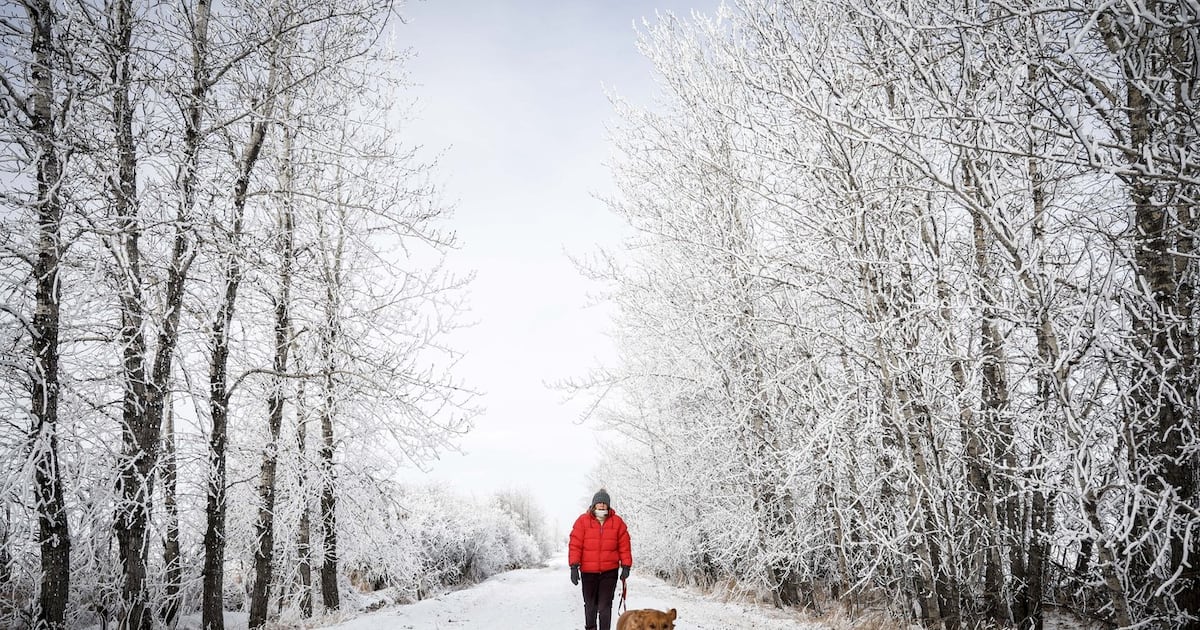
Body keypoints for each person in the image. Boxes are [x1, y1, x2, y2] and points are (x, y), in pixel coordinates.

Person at [568, 488, 632, 630]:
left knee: (605, 606)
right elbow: (575, 544)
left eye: (604, 503)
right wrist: (574, 566)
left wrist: (626, 566)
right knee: (590, 606)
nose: (602, 505)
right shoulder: (582, 521)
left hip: (609, 572)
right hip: (588, 572)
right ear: (594, 504)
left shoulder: (617, 522)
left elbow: (624, 545)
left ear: (608, 505)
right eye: (599, 502)